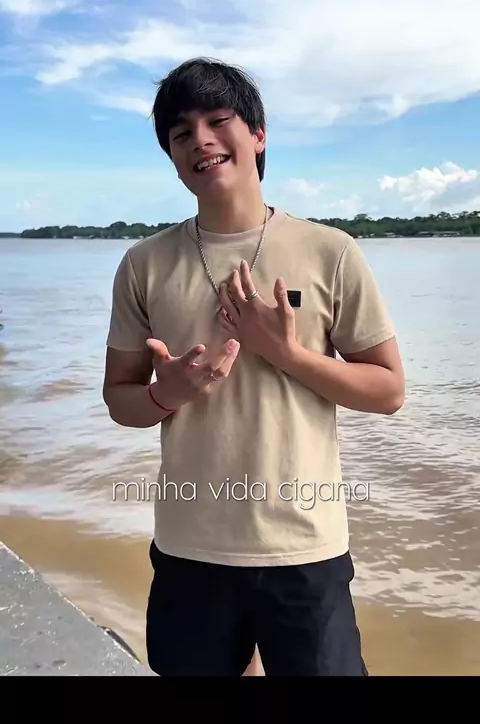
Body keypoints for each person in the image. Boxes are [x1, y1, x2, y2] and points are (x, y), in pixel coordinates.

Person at [103, 57, 405, 676]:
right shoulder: (144, 264)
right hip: (190, 547)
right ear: (171, 156)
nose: (201, 140)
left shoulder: (331, 252)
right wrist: (166, 394)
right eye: (182, 133)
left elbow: (388, 391)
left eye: (218, 121)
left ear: (259, 135)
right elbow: (119, 399)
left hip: (304, 545)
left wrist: (287, 354)